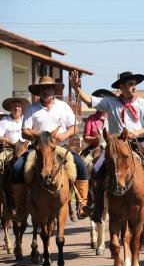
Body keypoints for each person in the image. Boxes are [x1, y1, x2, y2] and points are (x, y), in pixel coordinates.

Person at [69, 70, 144, 222]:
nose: (134, 87)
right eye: (130, 84)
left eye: (135, 84)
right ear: (122, 87)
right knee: (97, 169)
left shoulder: (142, 103)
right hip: (116, 144)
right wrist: (76, 89)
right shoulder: (110, 102)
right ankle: (96, 205)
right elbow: (90, 101)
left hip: (138, 141)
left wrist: (137, 133)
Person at [12, 76, 88, 221]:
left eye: (48, 87)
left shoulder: (63, 106)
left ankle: (82, 204)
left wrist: (64, 134)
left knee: (81, 166)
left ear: (54, 90)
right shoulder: (31, 108)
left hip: (60, 147)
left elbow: (75, 127)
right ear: (38, 91)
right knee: (17, 167)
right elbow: (24, 131)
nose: (45, 90)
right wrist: (41, 136)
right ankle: (20, 207)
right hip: (38, 149)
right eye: (42, 88)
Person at [0, 97, 29, 218]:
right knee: (0, 164)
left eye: (19, 106)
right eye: (14, 106)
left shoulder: (26, 120)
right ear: (10, 108)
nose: (16, 108)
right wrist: (10, 142)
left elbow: (31, 134)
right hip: (8, 150)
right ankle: (2, 194)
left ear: (22, 108)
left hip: (26, 149)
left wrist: (25, 143)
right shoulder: (4, 121)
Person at [81, 89, 115, 161]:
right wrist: (95, 139)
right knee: (82, 161)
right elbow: (85, 137)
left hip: (113, 147)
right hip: (94, 147)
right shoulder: (91, 118)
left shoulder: (114, 117)